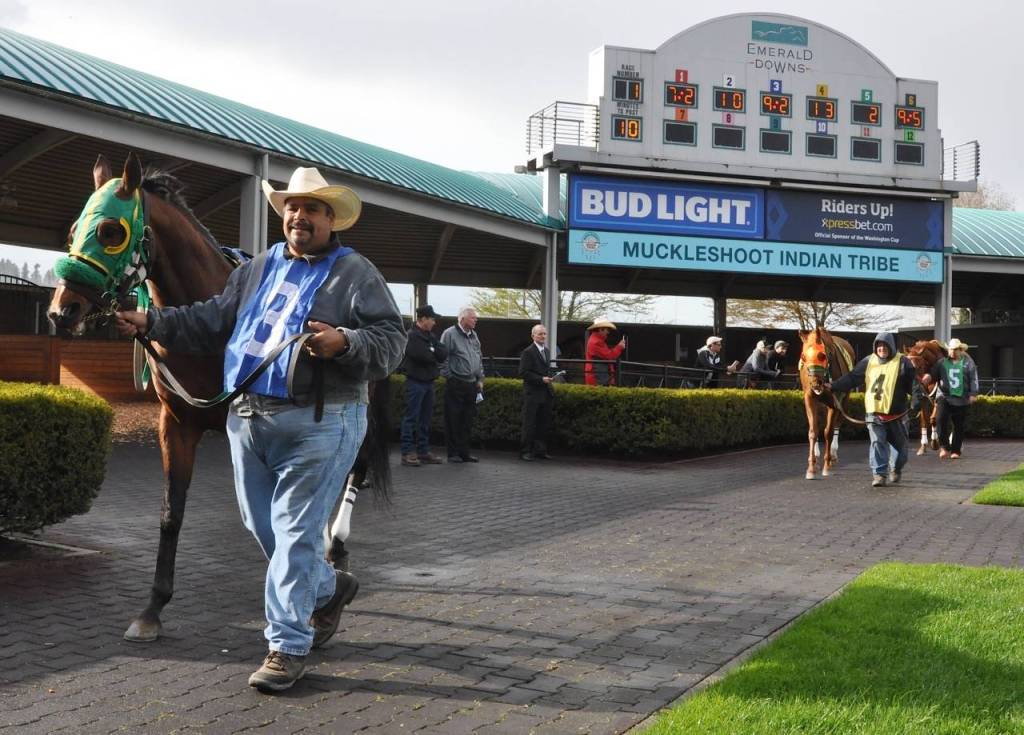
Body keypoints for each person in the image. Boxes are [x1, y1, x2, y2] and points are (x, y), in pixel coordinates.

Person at [114, 166, 405, 693]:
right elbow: (213, 318)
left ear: (330, 219)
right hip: (248, 419)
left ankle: (287, 646)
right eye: (292, 207)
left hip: (323, 421)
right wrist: (152, 323)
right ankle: (327, 587)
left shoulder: (356, 273)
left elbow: (390, 341)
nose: (299, 216)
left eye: (311, 209)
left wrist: (346, 342)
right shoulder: (259, 267)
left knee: (295, 533)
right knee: (260, 525)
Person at [828, 332, 916, 488]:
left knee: (901, 450)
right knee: (877, 442)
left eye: (884, 345)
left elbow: (914, 385)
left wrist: (916, 400)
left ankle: (895, 468)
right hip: (874, 413)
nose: (881, 348)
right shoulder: (868, 361)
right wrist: (833, 386)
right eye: (878, 345)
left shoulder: (904, 362)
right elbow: (852, 377)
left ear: (891, 346)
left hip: (897, 415)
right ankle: (879, 474)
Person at [399, 304, 448, 467]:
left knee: (425, 419)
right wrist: (433, 351)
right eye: (432, 319)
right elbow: (423, 356)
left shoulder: (430, 336)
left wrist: (432, 350)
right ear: (424, 319)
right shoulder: (412, 336)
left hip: (428, 383)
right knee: (411, 417)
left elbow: (442, 354)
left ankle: (423, 451)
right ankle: (406, 452)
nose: (434, 322)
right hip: (415, 382)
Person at [441, 306, 484, 463]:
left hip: (472, 384)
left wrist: (480, 379)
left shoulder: (474, 335)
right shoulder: (449, 334)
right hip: (456, 383)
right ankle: (453, 454)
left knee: (467, 419)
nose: (476, 320)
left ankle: (464, 452)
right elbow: (443, 358)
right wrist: (450, 377)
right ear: (462, 319)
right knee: (453, 419)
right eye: (473, 317)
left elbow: (479, 357)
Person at [926, 338, 979, 459]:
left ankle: (956, 450)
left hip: (962, 398)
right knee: (940, 419)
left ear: (960, 350)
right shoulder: (942, 362)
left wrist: (973, 394)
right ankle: (944, 447)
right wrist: (928, 377)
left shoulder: (968, 363)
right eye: (950, 349)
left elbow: (973, 379)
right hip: (945, 396)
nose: (952, 352)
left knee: (959, 425)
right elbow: (933, 373)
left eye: (955, 350)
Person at [519, 324, 555, 461]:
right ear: (533, 335)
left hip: (545, 393)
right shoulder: (528, 352)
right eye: (540, 334)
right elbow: (523, 372)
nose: (543, 336)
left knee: (543, 423)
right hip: (532, 394)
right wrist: (541, 379)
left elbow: (545, 370)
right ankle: (525, 451)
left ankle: (540, 450)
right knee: (529, 423)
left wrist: (550, 377)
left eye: (544, 334)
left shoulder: (546, 351)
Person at [584, 318, 626, 386]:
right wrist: (619, 347)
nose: (608, 332)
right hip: (597, 379)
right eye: (607, 329)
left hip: (599, 377)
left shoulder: (597, 340)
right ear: (601, 329)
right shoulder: (596, 342)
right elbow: (609, 356)